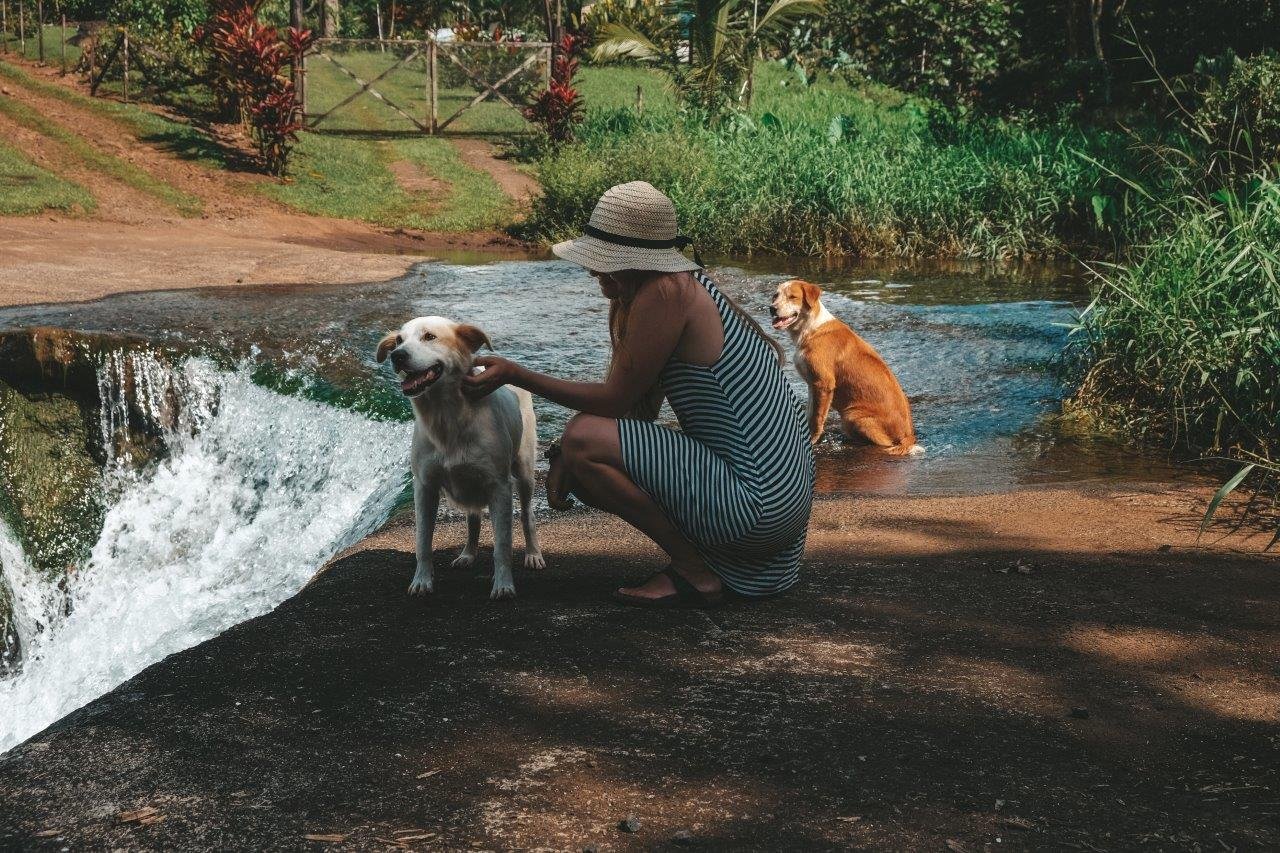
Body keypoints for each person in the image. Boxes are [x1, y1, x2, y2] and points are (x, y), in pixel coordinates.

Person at [462, 181, 814, 607]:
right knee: (577, 449)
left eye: (602, 260)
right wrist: (562, 457)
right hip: (782, 506)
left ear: (632, 263)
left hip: (758, 507)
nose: (592, 270)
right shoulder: (681, 285)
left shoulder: (664, 294)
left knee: (584, 440)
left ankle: (693, 570)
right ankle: (704, 561)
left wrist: (516, 375)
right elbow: (635, 412)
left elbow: (612, 403)